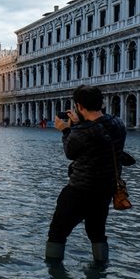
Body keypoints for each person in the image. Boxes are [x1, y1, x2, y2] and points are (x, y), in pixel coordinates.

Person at [46, 85, 127, 264]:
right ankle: (100, 268)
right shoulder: (118, 124)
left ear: (79, 106)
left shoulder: (80, 132)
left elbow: (70, 151)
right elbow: (97, 133)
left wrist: (65, 130)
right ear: (100, 103)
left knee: (57, 232)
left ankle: (54, 273)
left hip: (79, 190)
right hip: (106, 189)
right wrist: (78, 124)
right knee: (97, 232)